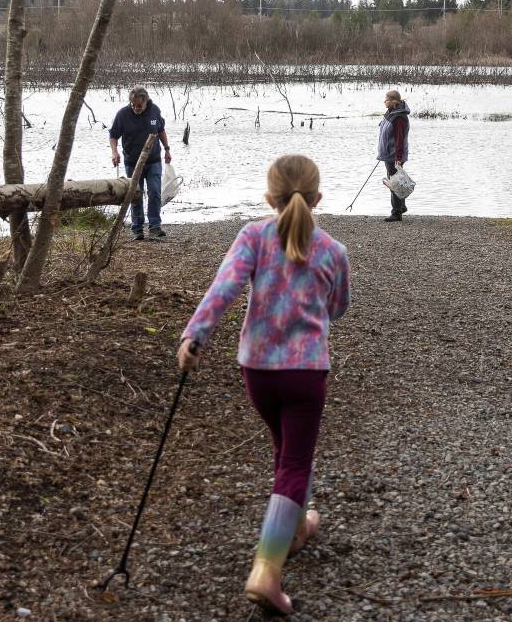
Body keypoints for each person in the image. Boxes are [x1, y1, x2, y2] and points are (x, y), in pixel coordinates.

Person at [177, 154, 350, 616]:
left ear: (269, 197)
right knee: (295, 459)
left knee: (287, 453)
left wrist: (195, 335)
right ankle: (266, 573)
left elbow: (224, 288)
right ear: (317, 198)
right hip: (306, 372)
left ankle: (293, 528)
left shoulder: (253, 236)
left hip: (257, 370)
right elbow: (338, 308)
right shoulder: (332, 250)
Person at [109, 85, 172, 240]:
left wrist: (167, 149)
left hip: (153, 160)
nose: (136, 108)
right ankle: (137, 228)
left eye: (139, 105)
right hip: (132, 161)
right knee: (135, 194)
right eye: (133, 105)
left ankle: (155, 227)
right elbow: (113, 135)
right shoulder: (122, 115)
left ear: (146, 101)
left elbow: (161, 130)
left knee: (155, 191)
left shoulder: (154, 110)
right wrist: (114, 152)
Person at [377, 89, 411, 222]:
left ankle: (396, 213)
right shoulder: (391, 112)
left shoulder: (399, 117)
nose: (384, 102)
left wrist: (398, 157)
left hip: (394, 155)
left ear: (393, 101)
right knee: (396, 180)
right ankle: (401, 206)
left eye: (386, 99)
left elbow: (399, 139)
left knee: (394, 183)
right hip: (388, 154)